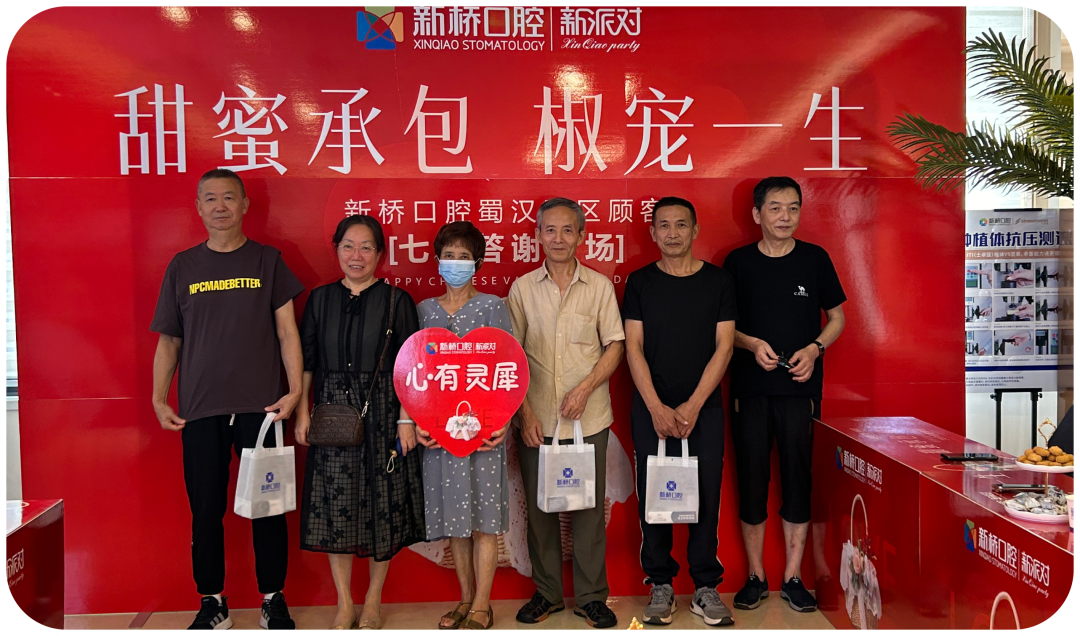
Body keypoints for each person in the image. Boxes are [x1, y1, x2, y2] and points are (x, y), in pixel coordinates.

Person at [151, 168, 303, 630]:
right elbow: (169, 341)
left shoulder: (267, 261)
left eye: (229, 198)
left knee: (268, 508)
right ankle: (212, 602)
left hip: (264, 409)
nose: (220, 206)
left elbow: (287, 331)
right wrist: (159, 398)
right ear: (199, 207)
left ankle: (273, 598)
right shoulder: (183, 267)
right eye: (211, 198)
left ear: (244, 205)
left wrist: (295, 391)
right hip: (201, 410)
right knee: (205, 510)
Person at [722, 176, 846, 613]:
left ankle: (793, 577)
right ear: (757, 213)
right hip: (750, 391)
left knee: (798, 481)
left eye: (793, 208)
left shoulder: (815, 259)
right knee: (752, 481)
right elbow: (722, 327)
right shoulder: (737, 263)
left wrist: (815, 349)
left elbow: (836, 318)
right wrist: (751, 344)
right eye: (775, 208)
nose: (785, 216)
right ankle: (755, 576)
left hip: (800, 390)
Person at [294, 215, 423, 630]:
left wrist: (406, 420)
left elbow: (411, 367)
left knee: (382, 505)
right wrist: (302, 413)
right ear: (336, 250)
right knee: (337, 508)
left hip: (384, 411)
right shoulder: (319, 299)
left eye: (366, 247)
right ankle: (344, 602)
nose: (357, 255)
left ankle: (373, 600)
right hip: (332, 413)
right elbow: (308, 362)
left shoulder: (397, 301)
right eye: (348, 246)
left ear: (380, 254)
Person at [507, 198, 625, 629]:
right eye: (550, 230)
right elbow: (511, 355)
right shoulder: (522, 289)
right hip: (537, 419)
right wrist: (524, 414)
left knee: (588, 510)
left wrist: (585, 388)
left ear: (581, 236)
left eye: (567, 230)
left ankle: (592, 597)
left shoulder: (599, 287)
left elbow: (615, 345)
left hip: (587, 418)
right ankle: (548, 594)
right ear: (538, 235)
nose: (558, 239)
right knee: (541, 511)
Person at [622, 197, 737, 626]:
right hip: (650, 409)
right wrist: (656, 406)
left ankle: (705, 586)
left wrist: (693, 405)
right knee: (656, 495)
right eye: (664, 225)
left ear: (695, 230)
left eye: (681, 225)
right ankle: (661, 585)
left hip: (704, 409)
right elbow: (633, 347)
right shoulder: (640, 282)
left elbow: (725, 346)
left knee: (705, 494)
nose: (673, 233)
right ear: (653, 233)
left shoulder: (719, 281)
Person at [413, 221, 514, 630]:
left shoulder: (493, 307)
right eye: (449, 255)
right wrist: (418, 422)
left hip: (483, 431)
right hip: (439, 433)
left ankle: (483, 605)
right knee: (456, 520)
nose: (455, 263)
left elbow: (508, 368)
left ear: (478, 263)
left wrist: (503, 422)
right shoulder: (423, 310)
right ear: (438, 260)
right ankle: (465, 598)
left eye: (464, 257)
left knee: (485, 521)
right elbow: (414, 373)